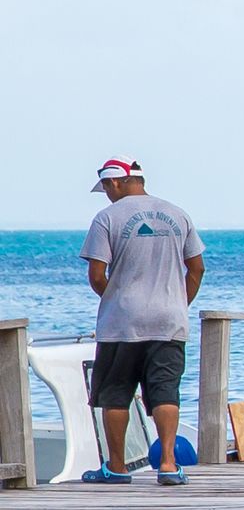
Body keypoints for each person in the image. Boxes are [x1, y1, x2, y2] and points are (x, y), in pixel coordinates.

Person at [80, 159, 207, 487]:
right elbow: (196, 268)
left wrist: (116, 300)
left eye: (106, 188)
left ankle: (118, 467)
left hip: (122, 323)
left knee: (115, 393)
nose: (106, 194)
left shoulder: (107, 218)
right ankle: (167, 463)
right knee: (166, 390)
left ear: (116, 183)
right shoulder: (178, 215)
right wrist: (178, 302)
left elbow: (96, 274)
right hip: (168, 321)